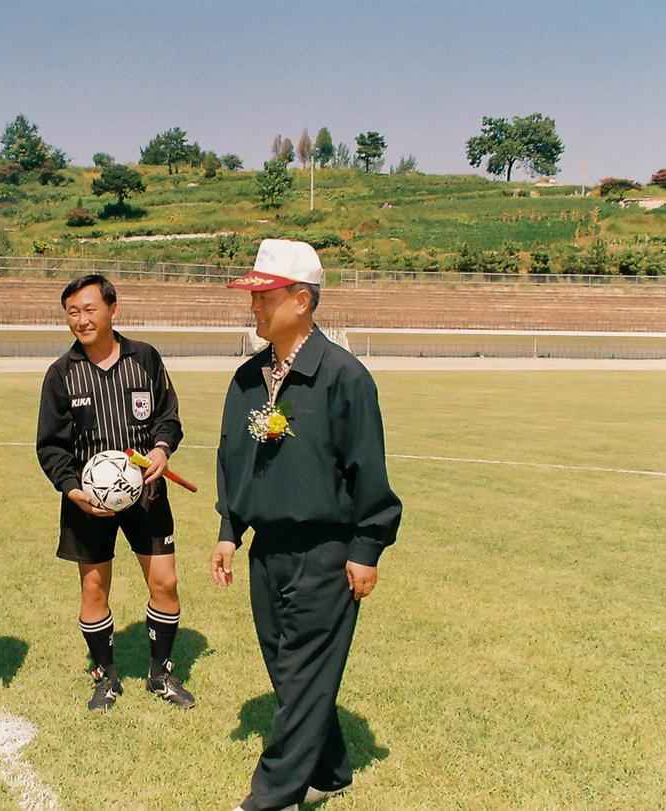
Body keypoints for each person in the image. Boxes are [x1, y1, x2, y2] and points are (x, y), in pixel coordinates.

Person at [211, 239, 402, 811]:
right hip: (267, 551)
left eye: (264, 296)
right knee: (288, 670)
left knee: (303, 672)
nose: (255, 307)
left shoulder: (344, 377)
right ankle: (332, 769)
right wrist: (228, 528)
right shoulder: (248, 378)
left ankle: (271, 797)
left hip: (327, 551)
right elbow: (233, 459)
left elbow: (366, 466)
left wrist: (366, 547)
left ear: (301, 299)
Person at [36, 273, 195, 711]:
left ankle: (160, 673)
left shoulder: (145, 358)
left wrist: (162, 449)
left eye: (89, 309)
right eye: (73, 312)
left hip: (146, 494)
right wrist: (71, 490)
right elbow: (50, 446)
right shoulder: (61, 374)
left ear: (111, 308)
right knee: (94, 590)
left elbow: (169, 417)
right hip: (89, 504)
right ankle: (105, 676)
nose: (81, 319)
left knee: (165, 581)